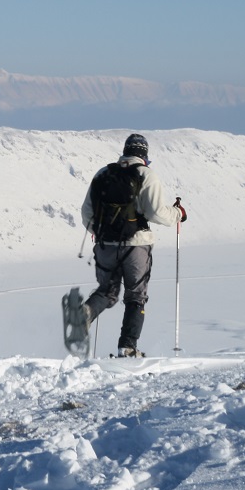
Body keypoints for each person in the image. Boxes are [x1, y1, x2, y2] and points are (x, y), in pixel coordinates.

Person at [79, 133, 186, 357]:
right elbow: (155, 213)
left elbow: (87, 212)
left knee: (107, 292)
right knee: (136, 295)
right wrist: (178, 214)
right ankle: (127, 347)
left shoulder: (103, 173)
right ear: (145, 154)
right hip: (136, 245)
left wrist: (101, 232)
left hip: (105, 244)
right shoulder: (146, 175)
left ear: (125, 151)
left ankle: (85, 313)